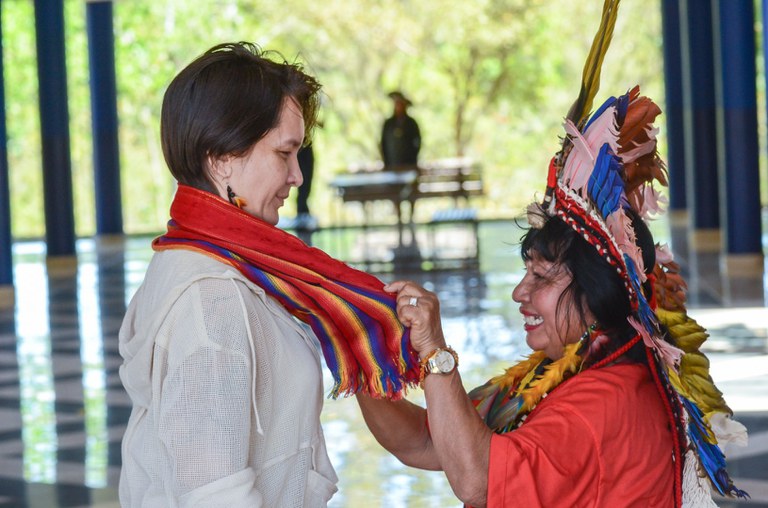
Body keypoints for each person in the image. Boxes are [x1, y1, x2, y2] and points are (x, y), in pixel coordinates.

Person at [355, 5, 748, 507]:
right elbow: (429, 441)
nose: (521, 291)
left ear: (596, 291)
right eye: (527, 272)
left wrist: (436, 352)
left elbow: (477, 481)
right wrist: (357, 352)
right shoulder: (561, 372)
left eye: (541, 275)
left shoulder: (600, 403)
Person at [118, 42, 421, 507]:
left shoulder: (223, 261)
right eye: (285, 153)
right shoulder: (211, 296)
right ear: (221, 158)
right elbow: (214, 497)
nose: (298, 176)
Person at [380, 90, 421, 169]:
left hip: (408, 164)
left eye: (400, 104)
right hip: (391, 164)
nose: (398, 107)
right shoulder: (388, 124)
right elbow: (383, 144)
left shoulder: (411, 123)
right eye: (396, 104)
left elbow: (417, 142)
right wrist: (386, 163)